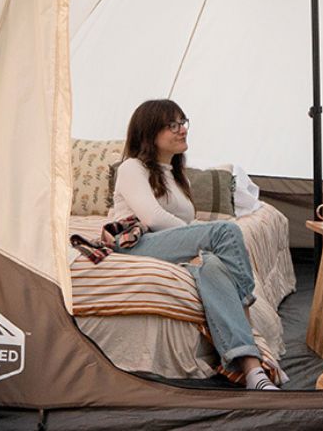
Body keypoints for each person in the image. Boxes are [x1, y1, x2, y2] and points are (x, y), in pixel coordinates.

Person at [109, 99, 278, 390]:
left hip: (166, 244)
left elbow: (184, 226)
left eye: (183, 122)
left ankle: (252, 372)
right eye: (172, 125)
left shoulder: (175, 174)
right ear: (149, 133)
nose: (182, 130)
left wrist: (201, 242)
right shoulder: (131, 168)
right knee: (224, 232)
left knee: (213, 266)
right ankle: (245, 305)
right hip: (135, 244)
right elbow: (154, 217)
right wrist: (203, 238)